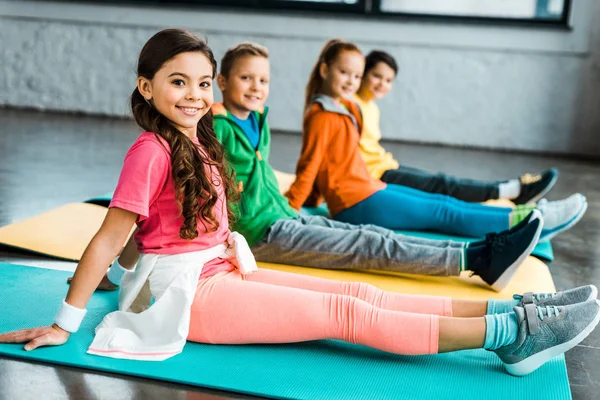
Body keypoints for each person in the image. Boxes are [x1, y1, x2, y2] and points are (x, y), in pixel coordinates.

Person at [1, 30, 598, 379]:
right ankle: (510, 333)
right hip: (194, 295)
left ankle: (520, 309)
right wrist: (65, 322)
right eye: (177, 81)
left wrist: (120, 276)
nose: (193, 94)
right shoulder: (150, 150)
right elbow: (112, 231)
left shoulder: (197, 138)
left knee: (362, 292)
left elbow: (146, 229)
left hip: (219, 268)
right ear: (146, 85)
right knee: (347, 315)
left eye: (202, 83)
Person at [211, 42, 543, 292]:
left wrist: (292, 205)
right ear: (222, 82)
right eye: (246, 78)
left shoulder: (258, 119)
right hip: (261, 232)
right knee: (368, 246)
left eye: (263, 80)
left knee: (374, 234)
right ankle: (479, 259)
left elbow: (263, 175)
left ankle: (481, 248)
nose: (256, 87)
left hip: (280, 213)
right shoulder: (217, 125)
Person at [286, 39, 587, 244]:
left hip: (370, 189)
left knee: (444, 202)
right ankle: (533, 220)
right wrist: (289, 210)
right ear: (325, 70)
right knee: (444, 213)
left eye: (356, 75)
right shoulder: (321, 114)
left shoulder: (346, 107)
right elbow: (311, 165)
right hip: (356, 203)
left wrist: (314, 201)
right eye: (344, 73)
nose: (351, 81)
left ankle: (526, 213)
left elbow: (335, 163)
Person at [354, 49, 558, 205]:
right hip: (374, 173)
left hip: (385, 165)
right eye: (377, 76)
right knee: (442, 184)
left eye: (388, 80)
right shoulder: (352, 105)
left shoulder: (371, 106)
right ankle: (513, 190)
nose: (382, 84)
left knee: (437, 181)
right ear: (363, 73)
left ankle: (508, 189)